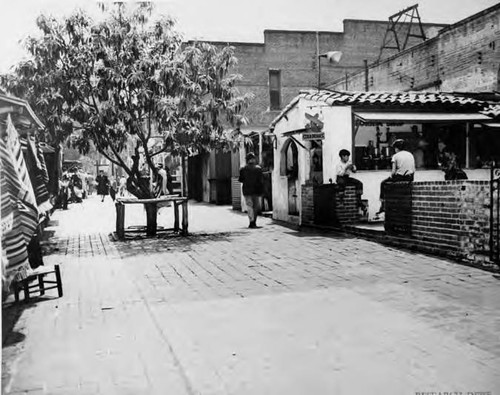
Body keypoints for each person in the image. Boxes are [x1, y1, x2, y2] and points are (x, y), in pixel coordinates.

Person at [377, 139, 415, 215]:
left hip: (400, 177)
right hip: (410, 177)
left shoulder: (395, 156)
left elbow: (393, 172)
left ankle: (383, 205)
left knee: (383, 183)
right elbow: (413, 169)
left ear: (396, 148)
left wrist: (391, 177)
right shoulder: (410, 154)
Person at [239, 152, 264, 228]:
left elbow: (240, 180)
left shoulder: (243, 169)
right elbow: (261, 181)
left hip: (247, 191)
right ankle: (254, 222)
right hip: (256, 191)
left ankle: (251, 222)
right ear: (254, 159)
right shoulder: (258, 169)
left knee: (249, 206)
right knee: (255, 207)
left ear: (247, 160)